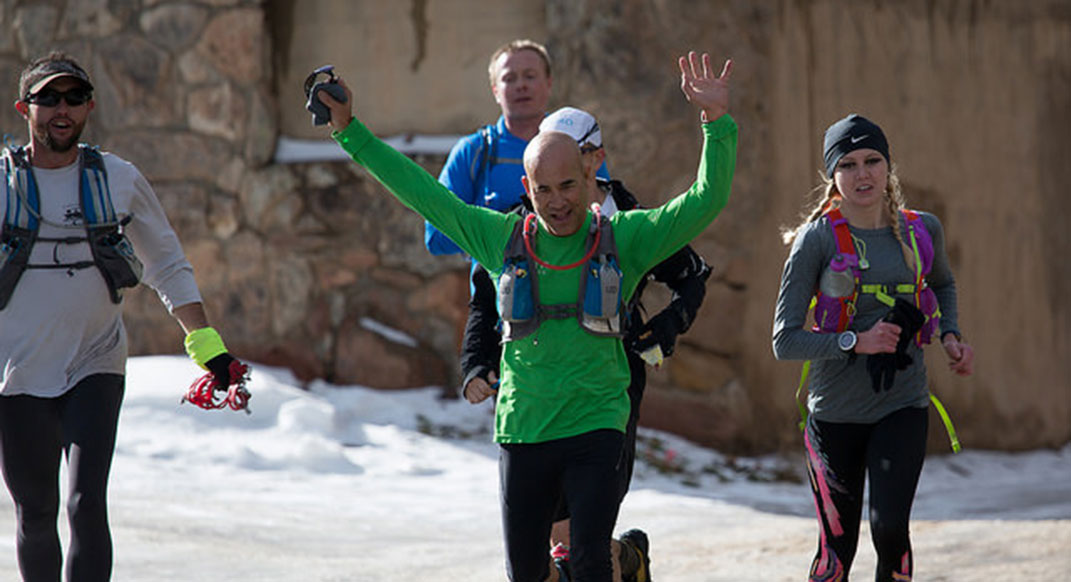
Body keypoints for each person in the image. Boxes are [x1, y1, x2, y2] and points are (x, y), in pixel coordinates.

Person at [319, 50, 736, 582]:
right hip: (524, 428)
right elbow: (422, 194)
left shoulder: (625, 237)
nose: (557, 202)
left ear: (590, 175)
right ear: (526, 188)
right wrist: (348, 129)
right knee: (528, 573)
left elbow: (705, 199)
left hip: (597, 423)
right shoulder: (502, 238)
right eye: (544, 189)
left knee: (588, 561)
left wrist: (716, 122)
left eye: (568, 186)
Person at [0, 52, 246, 581]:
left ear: (89, 107)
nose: (62, 109)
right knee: (36, 513)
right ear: (24, 108)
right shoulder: (3, 185)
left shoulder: (117, 179)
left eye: (74, 98)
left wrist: (208, 347)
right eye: (48, 98)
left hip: (96, 364)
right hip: (15, 373)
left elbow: (167, 264)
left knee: (86, 503)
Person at [460, 106, 712, 582]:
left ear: (595, 159)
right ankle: (630, 560)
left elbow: (692, 273)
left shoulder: (627, 221)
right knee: (560, 543)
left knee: (584, 546)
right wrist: (476, 362)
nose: (556, 195)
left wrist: (667, 328)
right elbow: (484, 301)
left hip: (609, 389)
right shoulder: (522, 224)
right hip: (537, 402)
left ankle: (619, 561)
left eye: (580, 156)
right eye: (544, 182)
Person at [772, 113, 974, 581]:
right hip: (833, 414)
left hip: (902, 405)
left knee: (891, 531)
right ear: (831, 175)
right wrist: (855, 341)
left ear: (888, 166)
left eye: (872, 161)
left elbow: (943, 283)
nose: (862, 174)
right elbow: (784, 341)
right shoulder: (816, 240)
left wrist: (951, 335)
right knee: (835, 553)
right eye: (847, 164)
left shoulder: (922, 230)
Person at [426, 39, 608, 256]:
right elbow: (436, 237)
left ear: (549, 83)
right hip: (498, 277)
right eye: (509, 78)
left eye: (530, 76)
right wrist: (501, 229)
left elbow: (605, 217)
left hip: (575, 274)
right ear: (495, 91)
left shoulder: (579, 144)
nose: (521, 85)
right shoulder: (473, 152)